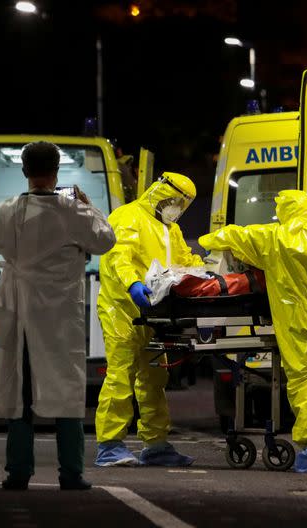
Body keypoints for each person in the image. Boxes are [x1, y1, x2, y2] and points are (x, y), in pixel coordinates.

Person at [199, 190, 307, 472]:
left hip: (297, 321)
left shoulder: (270, 238)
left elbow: (230, 236)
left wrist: (206, 242)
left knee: (305, 382)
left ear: (282, 212)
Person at [0, 141, 116, 491]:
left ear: (24, 171)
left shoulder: (6, 211)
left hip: (19, 315)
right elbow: (105, 240)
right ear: (56, 171)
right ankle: (71, 473)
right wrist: (90, 208)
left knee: (21, 393)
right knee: (67, 390)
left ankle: (17, 473)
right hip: (59, 318)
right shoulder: (73, 211)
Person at [94, 172, 204, 467]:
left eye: (183, 205)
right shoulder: (128, 215)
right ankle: (109, 444)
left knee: (154, 379)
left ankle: (156, 444)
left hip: (154, 313)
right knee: (120, 376)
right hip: (122, 309)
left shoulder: (171, 229)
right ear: (161, 193)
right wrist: (131, 284)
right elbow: (119, 255)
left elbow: (184, 260)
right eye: (175, 201)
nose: (177, 209)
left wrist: (204, 273)